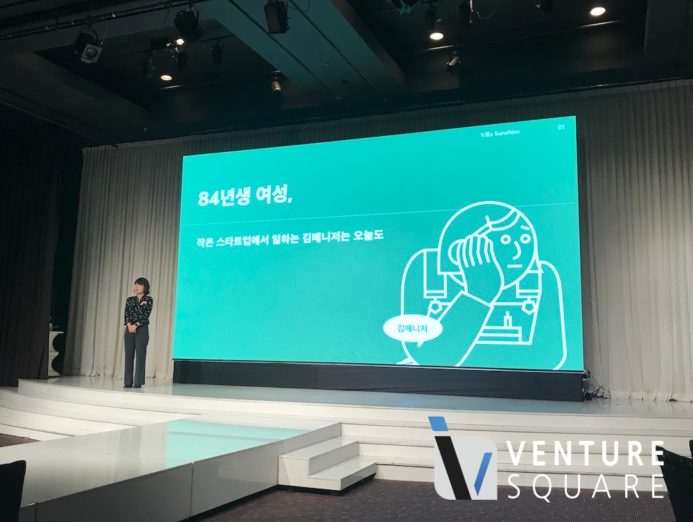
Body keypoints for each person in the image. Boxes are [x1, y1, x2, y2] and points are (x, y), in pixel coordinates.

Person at [123, 277, 153, 388]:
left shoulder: (148, 300)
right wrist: (129, 325)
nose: (136, 287)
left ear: (145, 287)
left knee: (140, 355)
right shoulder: (130, 300)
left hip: (142, 329)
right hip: (129, 329)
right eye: (135, 285)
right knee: (128, 355)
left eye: (139, 285)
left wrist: (136, 325)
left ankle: (138, 382)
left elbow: (145, 315)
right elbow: (126, 314)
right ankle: (127, 381)